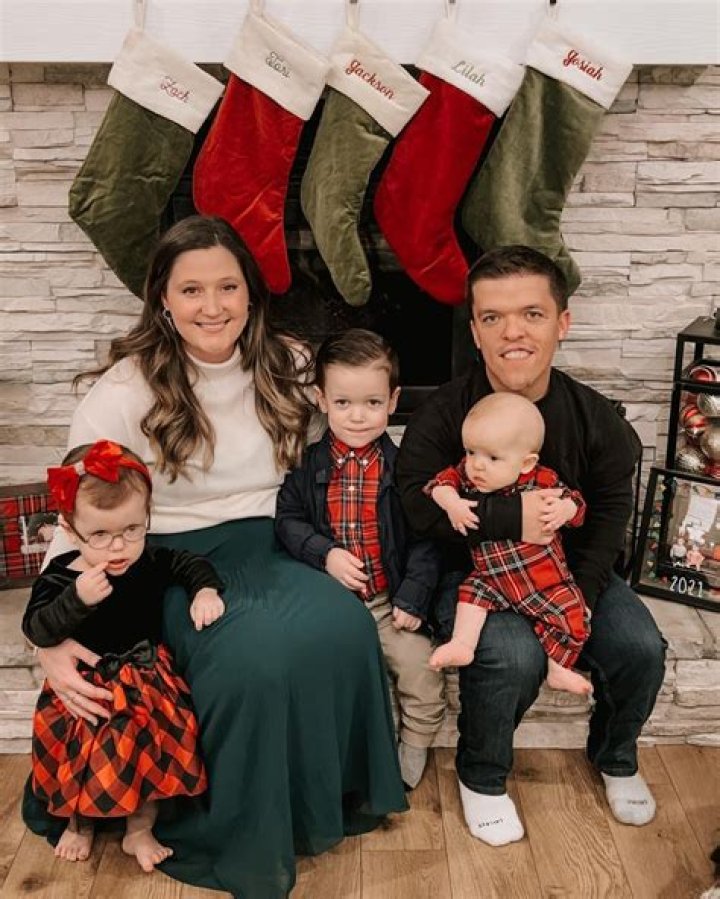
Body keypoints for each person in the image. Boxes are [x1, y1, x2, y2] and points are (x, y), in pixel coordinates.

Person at [23, 215, 407, 898]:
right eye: (192, 289)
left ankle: (329, 802)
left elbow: (345, 442)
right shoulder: (123, 389)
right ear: (162, 299)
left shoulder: (289, 366)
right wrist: (47, 635)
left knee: (344, 625)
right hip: (164, 557)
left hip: (276, 537)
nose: (212, 306)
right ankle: (235, 832)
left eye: (228, 286)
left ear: (251, 294)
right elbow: (74, 514)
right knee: (252, 660)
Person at [395, 245, 666, 847]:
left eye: (532, 314)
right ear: (474, 330)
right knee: (511, 654)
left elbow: (610, 512)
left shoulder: (593, 418)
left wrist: (582, 598)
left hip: (565, 573)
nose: (512, 332)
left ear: (562, 323)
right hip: (474, 579)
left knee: (640, 646)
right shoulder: (444, 413)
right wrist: (509, 516)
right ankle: (482, 777)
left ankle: (616, 755)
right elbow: (415, 503)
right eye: (492, 317)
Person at [23, 439, 225, 871]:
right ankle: (80, 825)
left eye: (131, 530)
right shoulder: (62, 578)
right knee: (82, 760)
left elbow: (189, 563)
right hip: (86, 688)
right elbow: (36, 627)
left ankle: (139, 830)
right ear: (70, 529)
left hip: (144, 684)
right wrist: (76, 599)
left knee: (150, 757)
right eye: (100, 535)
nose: (118, 547)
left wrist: (204, 590)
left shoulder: (148, 561)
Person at [275, 329, 446, 789]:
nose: (357, 417)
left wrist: (413, 597)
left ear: (393, 401)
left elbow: (428, 539)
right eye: (344, 402)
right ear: (321, 399)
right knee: (317, 671)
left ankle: (414, 741)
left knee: (419, 669)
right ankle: (336, 753)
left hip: (389, 602)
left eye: (372, 403)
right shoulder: (307, 464)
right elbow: (288, 520)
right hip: (330, 602)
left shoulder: (406, 468)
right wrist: (324, 552)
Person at [426, 392, 591, 697]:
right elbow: (437, 484)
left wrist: (565, 510)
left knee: (571, 612)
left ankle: (559, 668)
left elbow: (577, 505)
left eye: (492, 458)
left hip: (542, 581)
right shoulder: (467, 475)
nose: (476, 465)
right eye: (471, 451)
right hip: (491, 579)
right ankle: (463, 644)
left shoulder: (543, 480)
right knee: (470, 596)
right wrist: (451, 503)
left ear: (526, 463)